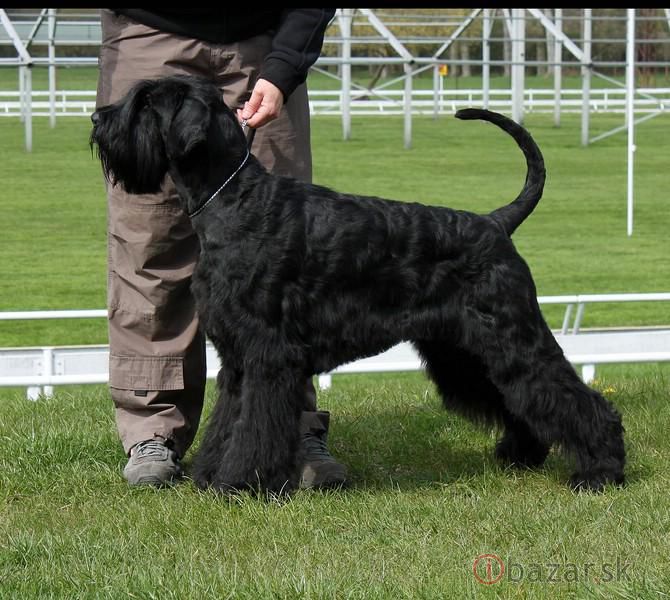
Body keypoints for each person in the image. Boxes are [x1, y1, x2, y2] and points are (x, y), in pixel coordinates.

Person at [95, 9, 346, 488]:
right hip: (149, 28)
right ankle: (153, 431)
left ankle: (288, 430)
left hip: (266, 37)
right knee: (149, 246)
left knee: (281, 259)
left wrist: (284, 64)